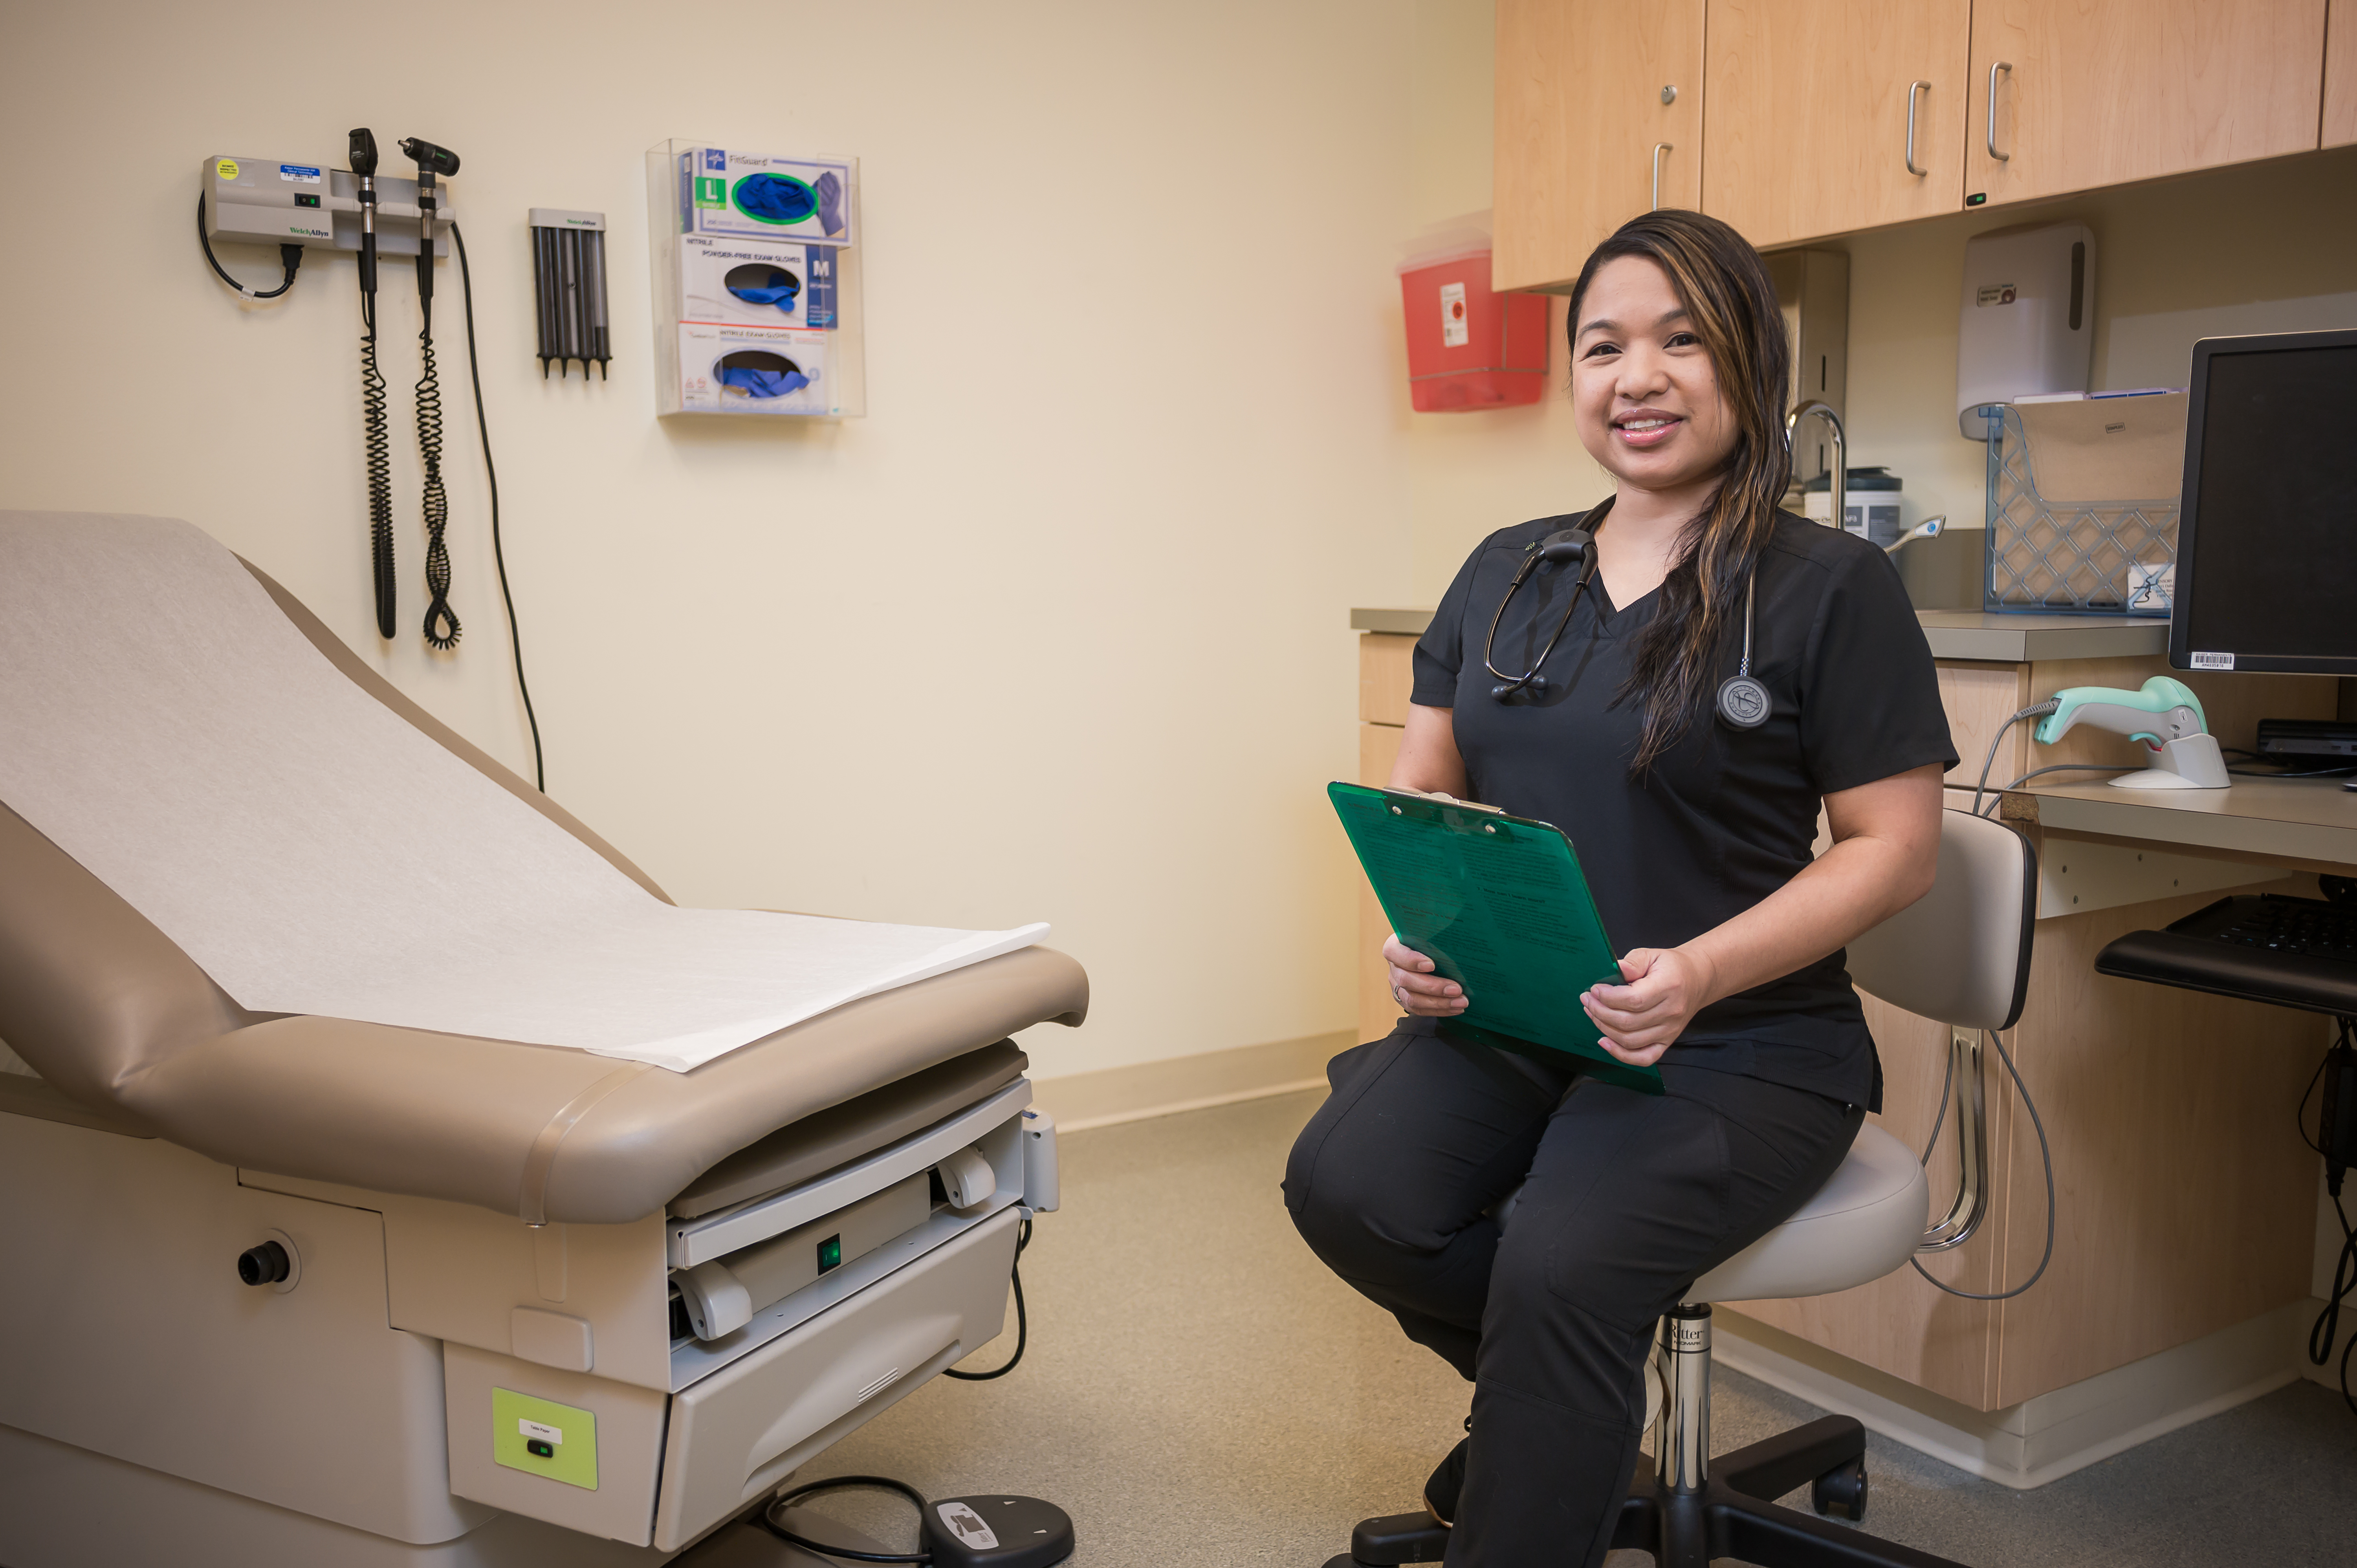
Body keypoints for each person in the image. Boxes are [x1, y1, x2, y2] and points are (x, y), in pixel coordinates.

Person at [1284, 209, 1957, 1568]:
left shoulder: (1833, 585)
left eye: (1680, 340)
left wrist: (1702, 971)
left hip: (1748, 1043)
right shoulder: (1509, 566)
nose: (1634, 375)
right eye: (1602, 347)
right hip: (1527, 1012)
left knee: (1562, 1258)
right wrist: (1420, 936)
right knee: (1346, 1186)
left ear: (1750, 363)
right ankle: (1572, 1402)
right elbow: (1432, 800)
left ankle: (1549, 1432)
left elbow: (1898, 847)